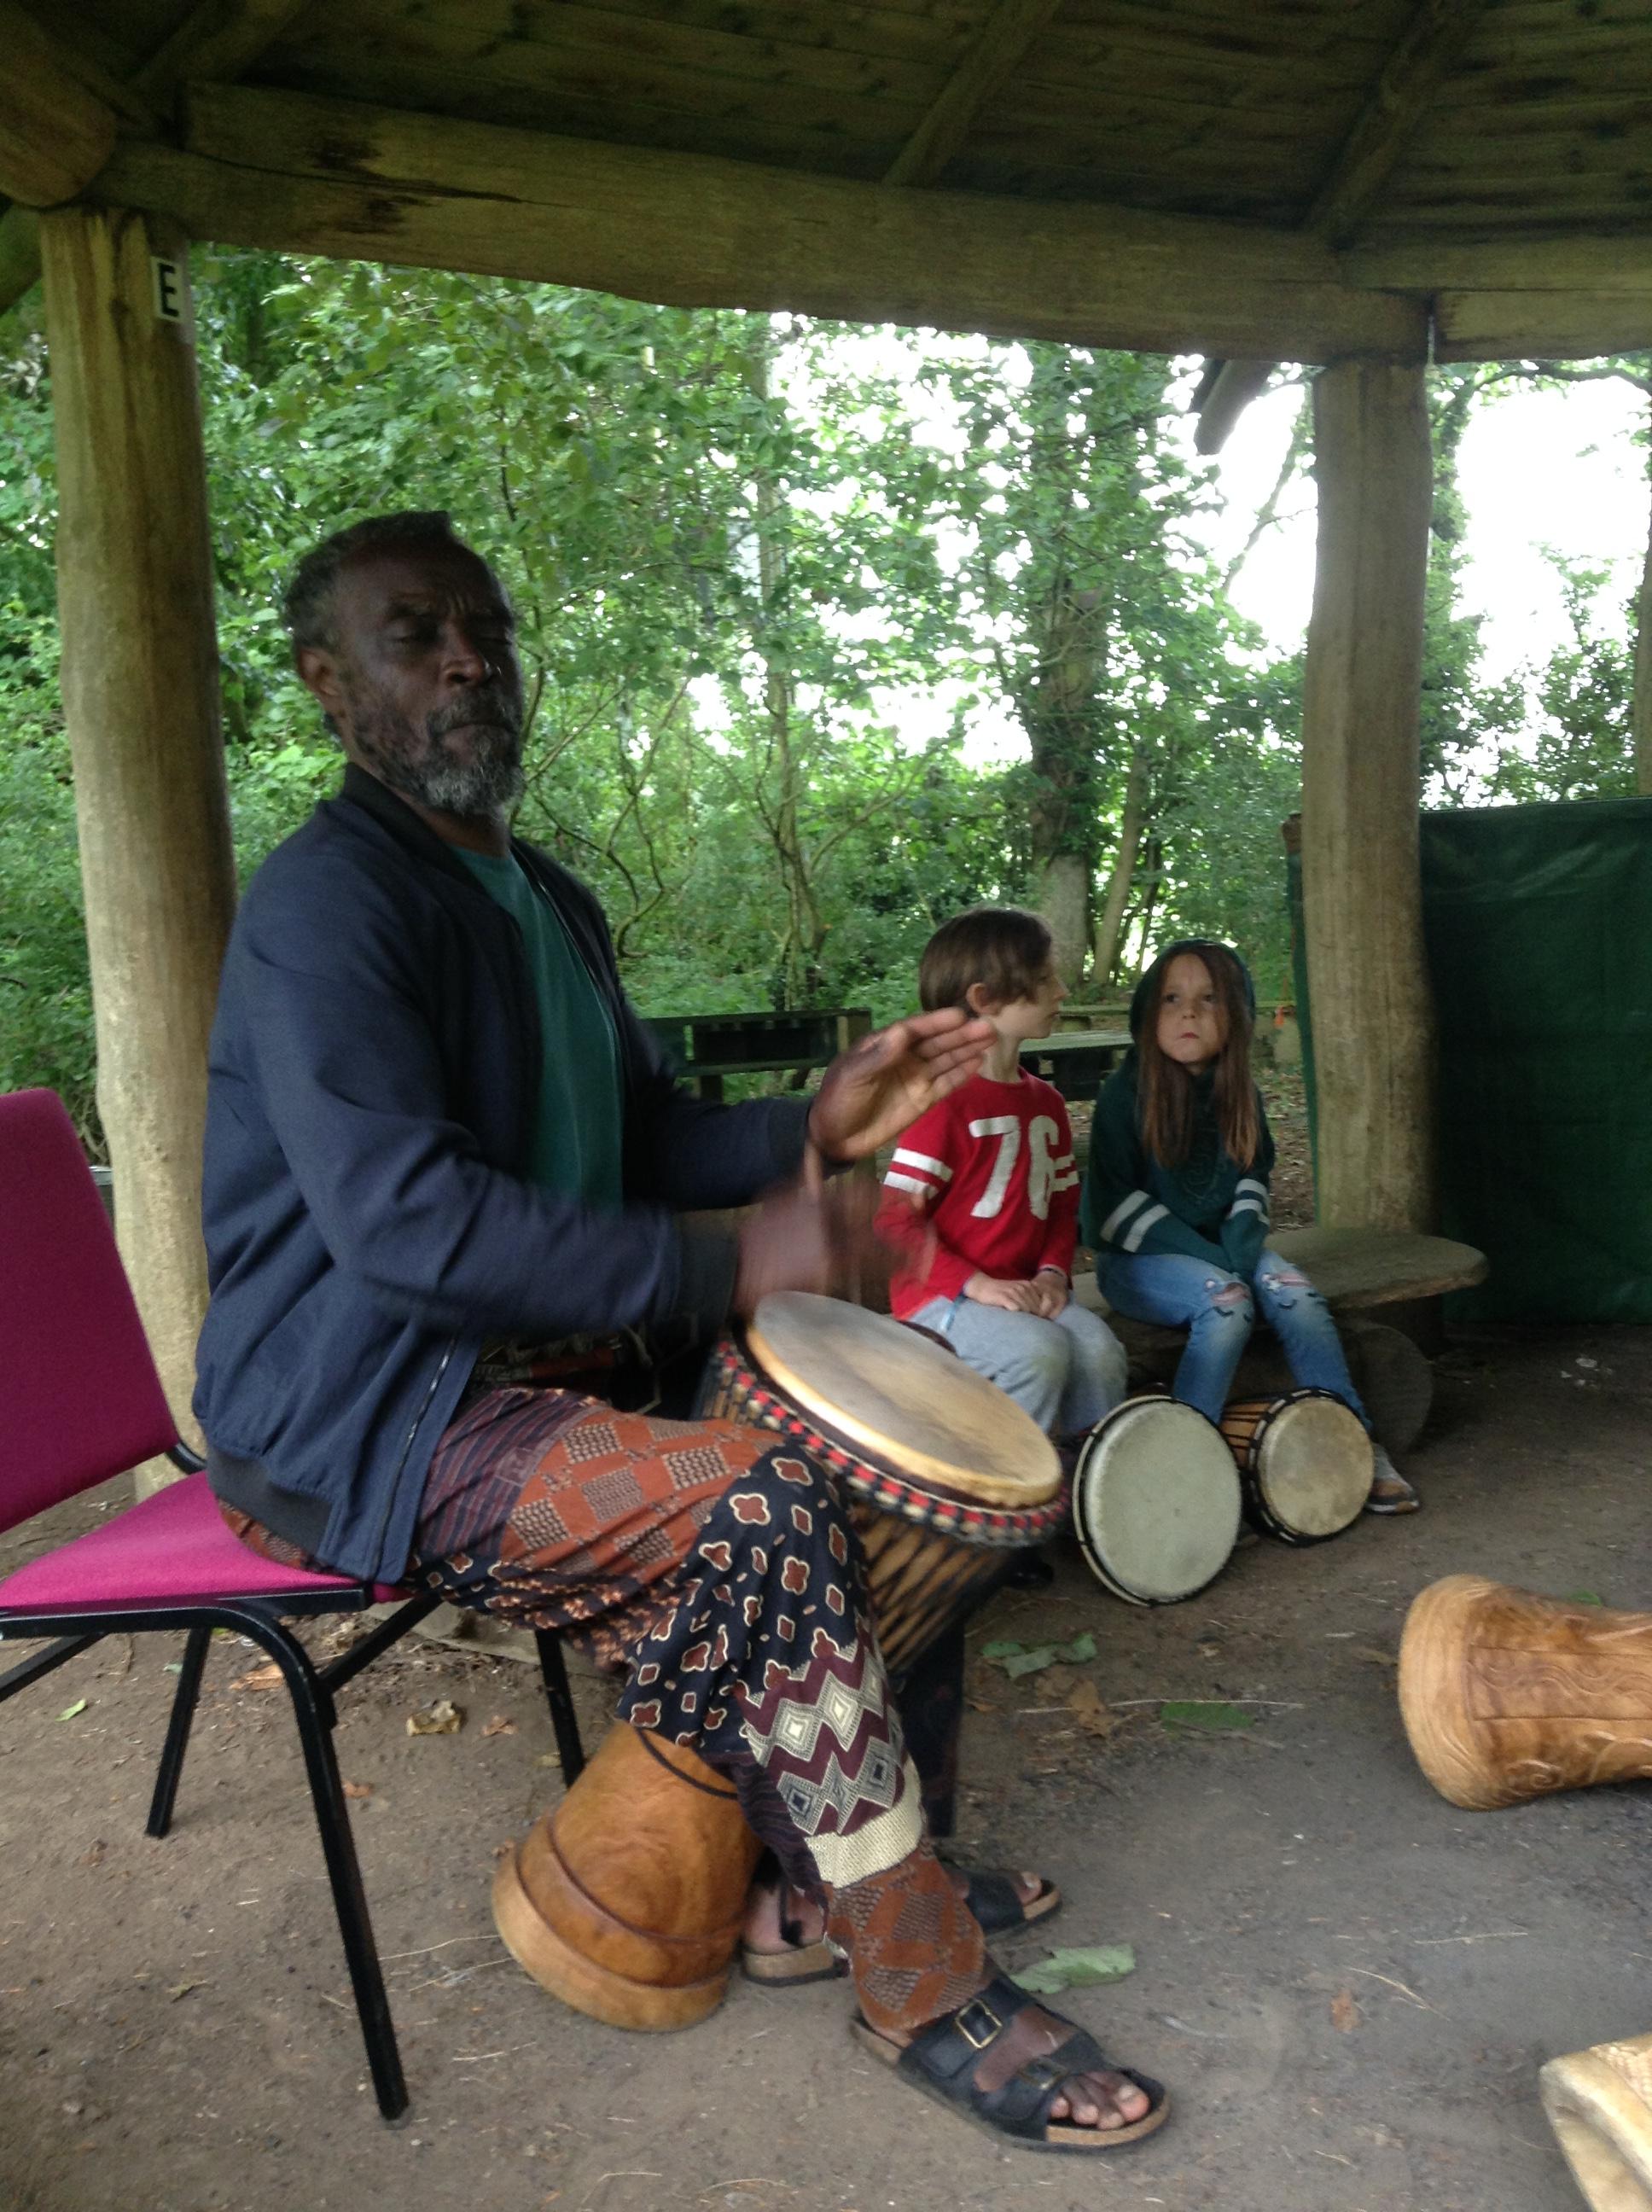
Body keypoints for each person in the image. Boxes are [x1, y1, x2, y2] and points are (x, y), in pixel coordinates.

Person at [195, 510, 1168, 2153]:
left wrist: (815, 1125)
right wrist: (733, 1258)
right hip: (377, 1412)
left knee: (904, 1469)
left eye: (487, 629)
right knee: (759, 1509)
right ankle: (915, 1972)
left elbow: (643, 1132)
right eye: (415, 634)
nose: (468, 662)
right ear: (327, 684)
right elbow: (408, 1227)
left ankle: (838, 1869)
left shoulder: (543, 897)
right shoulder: (325, 907)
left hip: (558, 1376)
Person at [1080, 938, 1418, 1513]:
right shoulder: (1122, 1095)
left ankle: (1355, 1441)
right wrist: (1219, 1263)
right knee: (1227, 1305)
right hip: (1138, 1261)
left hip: (1224, 1251)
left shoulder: (1240, 1093)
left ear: (1235, 1014)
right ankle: (1186, 1465)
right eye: (1171, 999)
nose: (1188, 1013)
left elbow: (1251, 1180)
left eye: (1209, 999)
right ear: (1146, 1012)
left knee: (1296, 1295)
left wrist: (1236, 1251)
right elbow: (1112, 1206)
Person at [875, 907, 1127, 1447]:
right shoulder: (942, 1103)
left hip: (1026, 1293)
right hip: (938, 1300)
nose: (1061, 991)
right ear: (984, 998)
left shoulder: (1047, 1103)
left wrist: (1053, 1274)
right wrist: (978, 1285)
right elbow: (895, 1224)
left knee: (1101, 1351)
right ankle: (1005, 1487)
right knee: (1035, 1353)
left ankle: (1089, 1482)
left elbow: (1062, 1207)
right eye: (1044, 979)